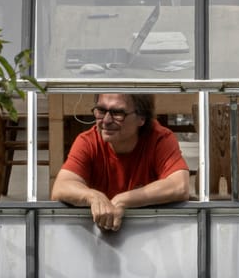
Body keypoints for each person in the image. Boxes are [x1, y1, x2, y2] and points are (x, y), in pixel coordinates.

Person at [51, 92, 190, 231]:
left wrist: (124, 200)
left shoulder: (160, 138)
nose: (106, 120)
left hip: (152, 231)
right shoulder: (87, 141)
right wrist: (92, 196)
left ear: (142, 118)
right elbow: (61, 187)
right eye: (101, 110)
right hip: (99, 236)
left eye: (117, 113)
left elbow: (179, 186)